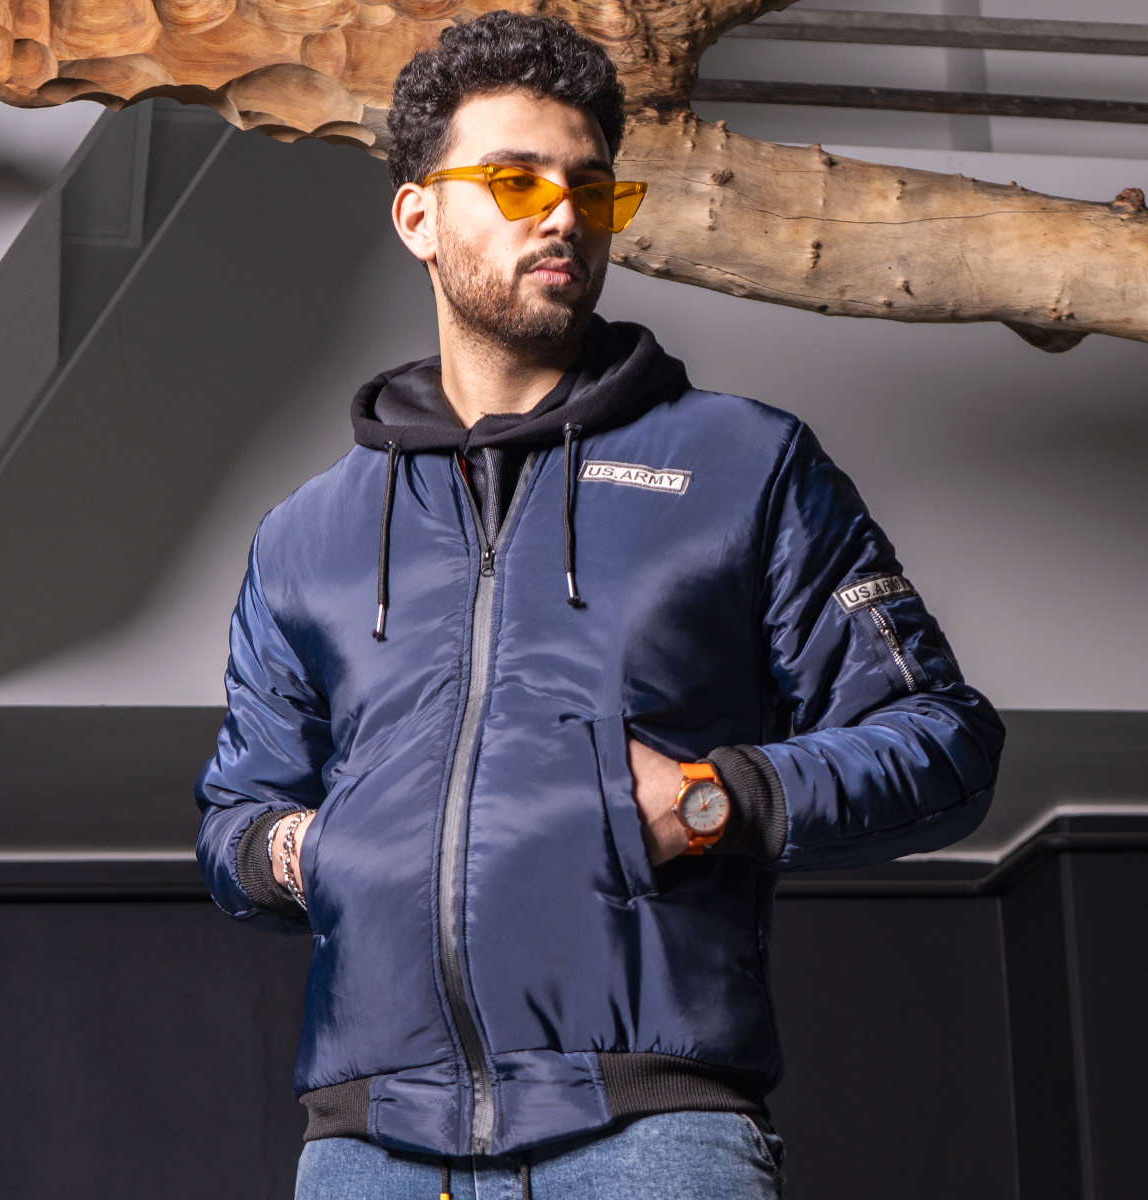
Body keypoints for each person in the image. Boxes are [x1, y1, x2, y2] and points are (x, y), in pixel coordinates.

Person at [195, 11, 1005, 1199]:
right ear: (418, 218)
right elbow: (236, 821)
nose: (564, 215)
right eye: (516, 181)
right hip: (368, 1151)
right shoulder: (306, 536)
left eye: (589, 187)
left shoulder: (745, 466)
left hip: (651, 1139)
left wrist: (716, 800)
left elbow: (945, 742)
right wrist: (308, 850)